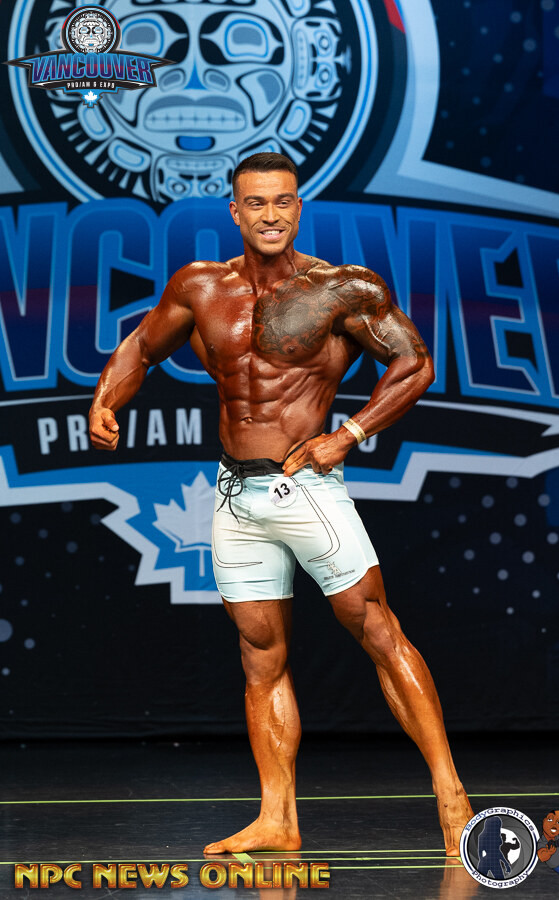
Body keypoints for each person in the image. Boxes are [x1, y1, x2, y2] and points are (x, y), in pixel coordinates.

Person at [89, 151, 473, 855]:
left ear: (299, 207)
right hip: (236, 496)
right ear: (234, 212)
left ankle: (453, 798)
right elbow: (141, 346)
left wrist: (348, 434)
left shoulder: (341, 289)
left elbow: (414, 362)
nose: (271, 215)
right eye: (257, 203)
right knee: (260, 655)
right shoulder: (200, 285)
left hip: (308, 490)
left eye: (284, 201)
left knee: (378, 632)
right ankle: (277, 818)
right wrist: (105, 398)